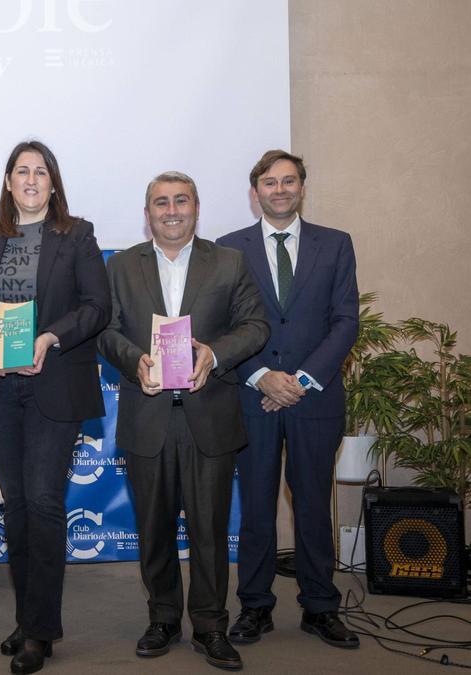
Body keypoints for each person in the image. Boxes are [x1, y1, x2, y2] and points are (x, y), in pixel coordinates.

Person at [0, 140, 111, 675]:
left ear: (53, 182)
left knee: (43, 502)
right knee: (17, 507)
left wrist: (49, 337)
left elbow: (97, 307)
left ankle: (41, 632)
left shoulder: (78, 234)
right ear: (7, 180)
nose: (31, 179)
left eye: (41, 172)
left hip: (54, 384)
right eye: (22, 171)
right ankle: (27, 618)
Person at [98, 171, 268, 670]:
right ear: (147, 212)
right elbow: (106, 331)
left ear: (196, 207)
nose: (171, 211)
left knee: (210, 530)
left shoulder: (230, 262)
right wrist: (135, 360)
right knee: (152, 529)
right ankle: (163, 619)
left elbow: (255, 325)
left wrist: (214, 355)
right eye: (160, 203)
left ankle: (211, 625)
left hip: (208, 416)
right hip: (148, 415)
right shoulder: (122, 266)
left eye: (180, 201)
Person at [215, 150, 360, 649]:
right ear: (255, 192)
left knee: (314, 506)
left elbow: (345, 322)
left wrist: (298, 380)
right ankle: (255, 606)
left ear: (302, 187)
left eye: (289, 181)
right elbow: (222, 327)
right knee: (255, 508)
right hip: (252, 397)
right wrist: (261, 377)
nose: (280, 189)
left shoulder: (335, 244)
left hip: (312, 399)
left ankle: (321, 607)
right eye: (269, 183)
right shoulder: (228, 249)